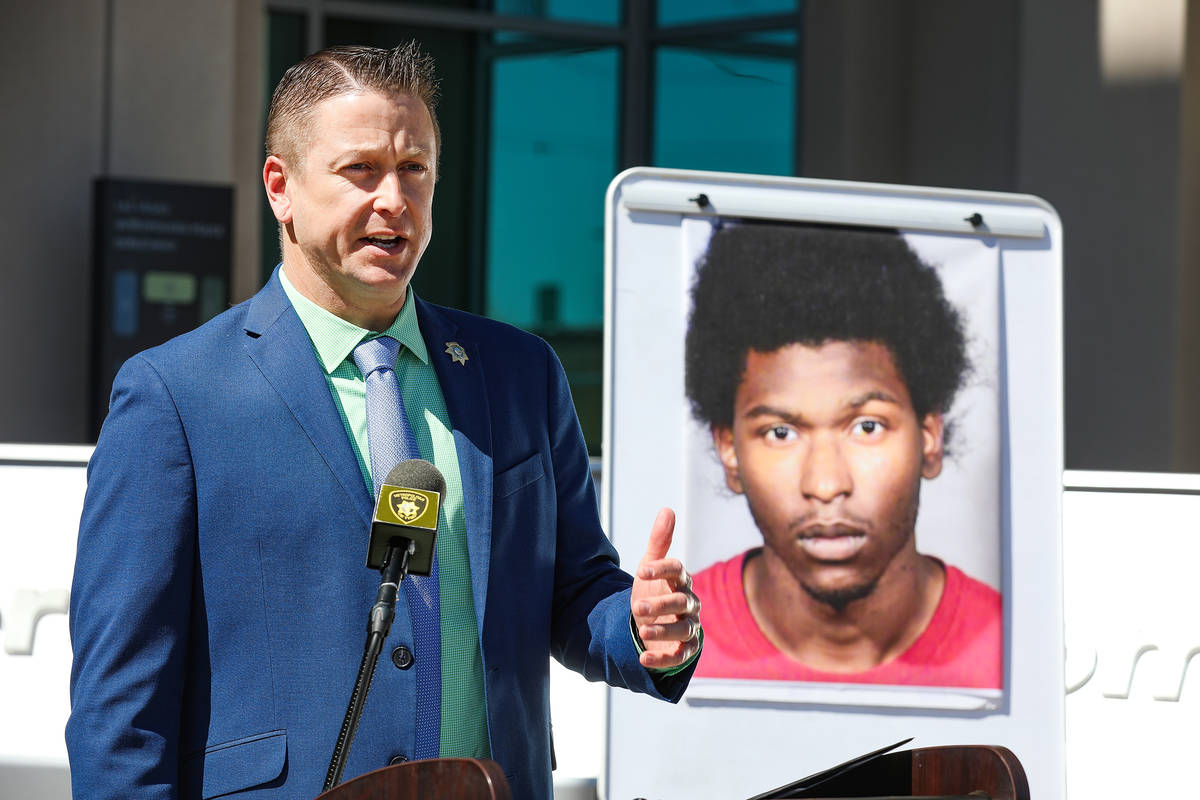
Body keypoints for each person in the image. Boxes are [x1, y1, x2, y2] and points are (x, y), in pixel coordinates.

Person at [66, 43, 700, 800]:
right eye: (360, 170)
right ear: (282, 187)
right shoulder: (175, 397)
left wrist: (642, 628)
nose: (394, 200)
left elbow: (576, 592)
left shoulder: (519, 375)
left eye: (415, 169)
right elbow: (119, 711)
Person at [685, 221, 1000, 688]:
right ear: (729, 450)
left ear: (929, 435)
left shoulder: (1008, 648)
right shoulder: (675, 647)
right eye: (780, 432)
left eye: (866, 427)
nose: (827, 484)